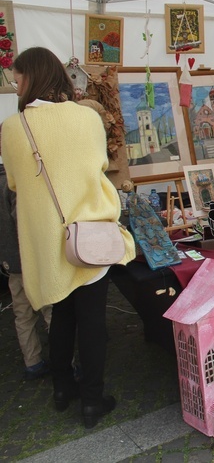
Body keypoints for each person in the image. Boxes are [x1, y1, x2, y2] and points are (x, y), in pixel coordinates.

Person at [1, 47, 135, 429]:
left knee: (61, 314)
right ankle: (92, 401)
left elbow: (13, 182)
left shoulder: (14, 127)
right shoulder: (87, 118)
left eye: (18, 77)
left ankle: (63, 388)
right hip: (90, 235)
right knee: (92, 320)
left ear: (32, 77)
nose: (15, 85)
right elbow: (100, 166)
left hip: (46, 240)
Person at [0, 150, 53, 381]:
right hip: (30, 259)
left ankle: (32, 362)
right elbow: (22, 222)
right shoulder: (14, 182)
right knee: (50, 310)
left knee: (22, 314)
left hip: (10, 261)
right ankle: (65, 363)